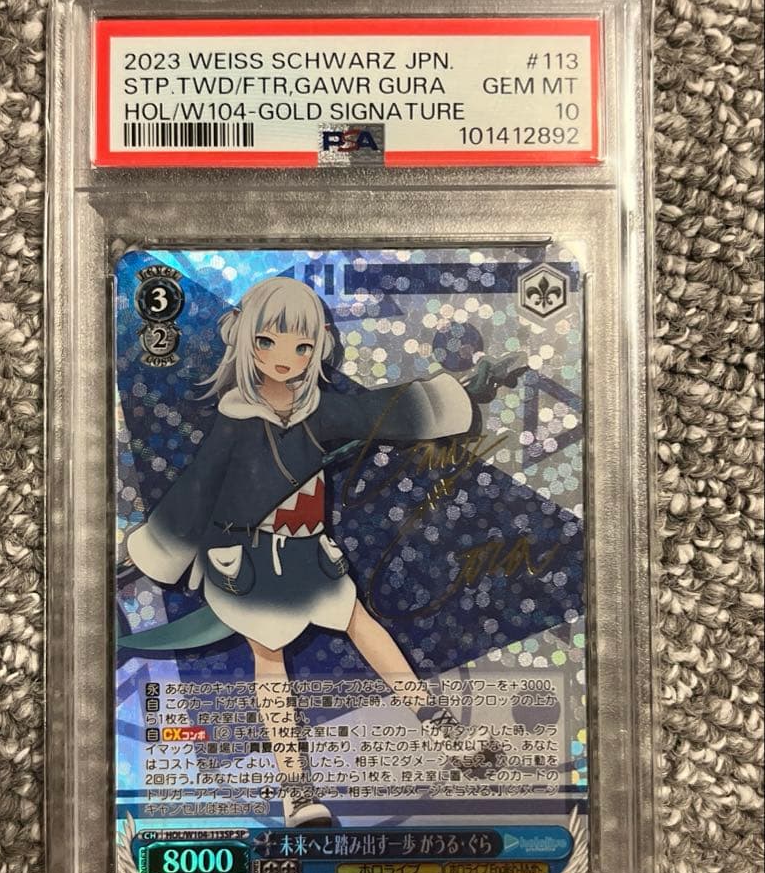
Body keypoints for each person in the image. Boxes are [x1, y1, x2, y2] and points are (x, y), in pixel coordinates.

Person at [127, 276, 523, 826]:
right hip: (246, 559)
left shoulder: (318, 411)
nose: (284, 357)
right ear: (244, 339)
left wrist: (458, 393)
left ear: (317, 349)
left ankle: (442, 731)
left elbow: (380, 411)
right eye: (267, 341)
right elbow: (196, 488)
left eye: (302, 346)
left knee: (360, 624)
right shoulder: (234, 420)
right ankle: (296, 790)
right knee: (270, 658)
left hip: (309, 551)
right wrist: (160, 547)